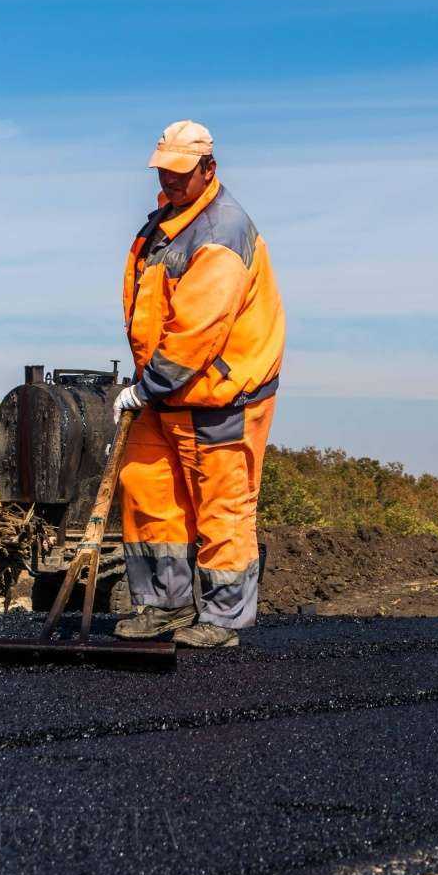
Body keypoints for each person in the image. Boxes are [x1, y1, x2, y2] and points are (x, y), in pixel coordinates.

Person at [111, 121, 286, 648]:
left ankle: (223, 619)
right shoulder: (161, 225)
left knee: (222, 507)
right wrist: (151, 386)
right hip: (165, 392)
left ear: (209, 169)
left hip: (218, 396)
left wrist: (148, 385)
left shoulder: (221, 232)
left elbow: (197, 331)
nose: (169, 181)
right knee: (147, 491)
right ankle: (163, 606)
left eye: (180, 173)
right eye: (163, 171)